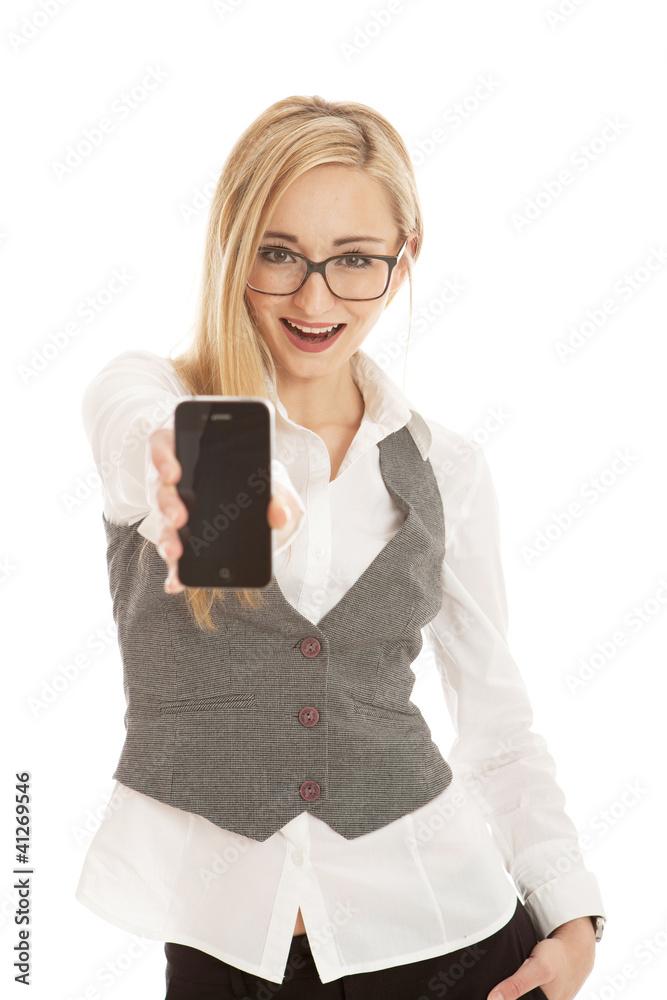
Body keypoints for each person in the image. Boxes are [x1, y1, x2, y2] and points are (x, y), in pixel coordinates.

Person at [76, 95, 606, 1000]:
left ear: (404, 260)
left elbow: (495, 725)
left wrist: (573, 916)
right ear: (230, 247)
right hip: (226, 955)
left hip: (451, 934)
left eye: (355, 259)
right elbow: (133, 424)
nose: (314, 299)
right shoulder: (155, 399)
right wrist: (180, 454)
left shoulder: (446, 468)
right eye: (278, 253)